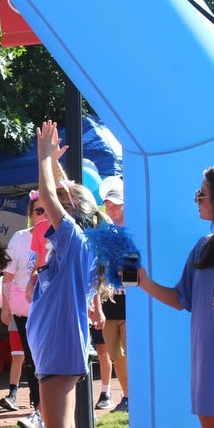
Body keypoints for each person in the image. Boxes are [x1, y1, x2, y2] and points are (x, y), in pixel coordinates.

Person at [136, 165, 214, 428]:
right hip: (208, 367)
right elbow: (181, 299)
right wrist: (143, 282)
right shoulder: (203, 247)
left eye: (201, 194)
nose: (196, 200)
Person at [27, 121, 101, 428]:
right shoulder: (68, 244)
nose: (48, 211)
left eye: (60, 205)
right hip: (54, 347)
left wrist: (43, 157)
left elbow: (46, 196)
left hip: (60, 346)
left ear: (74, 213)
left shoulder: (74, 238)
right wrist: (51, 164)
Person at [0, 193, 42, 428]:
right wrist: (6, 306)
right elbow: (8, 273)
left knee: (48, 358)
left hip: (50, 306)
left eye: (47, 211)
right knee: (31, 357)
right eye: (38, 211)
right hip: (24, 306)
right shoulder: (20, 237)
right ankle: (38, 408)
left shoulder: (58, 236)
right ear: (30, 215)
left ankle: (53, 409)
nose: (43, 216)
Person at [93, 175, 129, 413]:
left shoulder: (134, 231)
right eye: (108, 205)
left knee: (131, 352)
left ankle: (135, 396)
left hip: (131, 300)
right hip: (109, 300)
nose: (111, 209)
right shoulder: (104, 234)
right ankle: (127, 397)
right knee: (116, 354)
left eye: (115, 205)